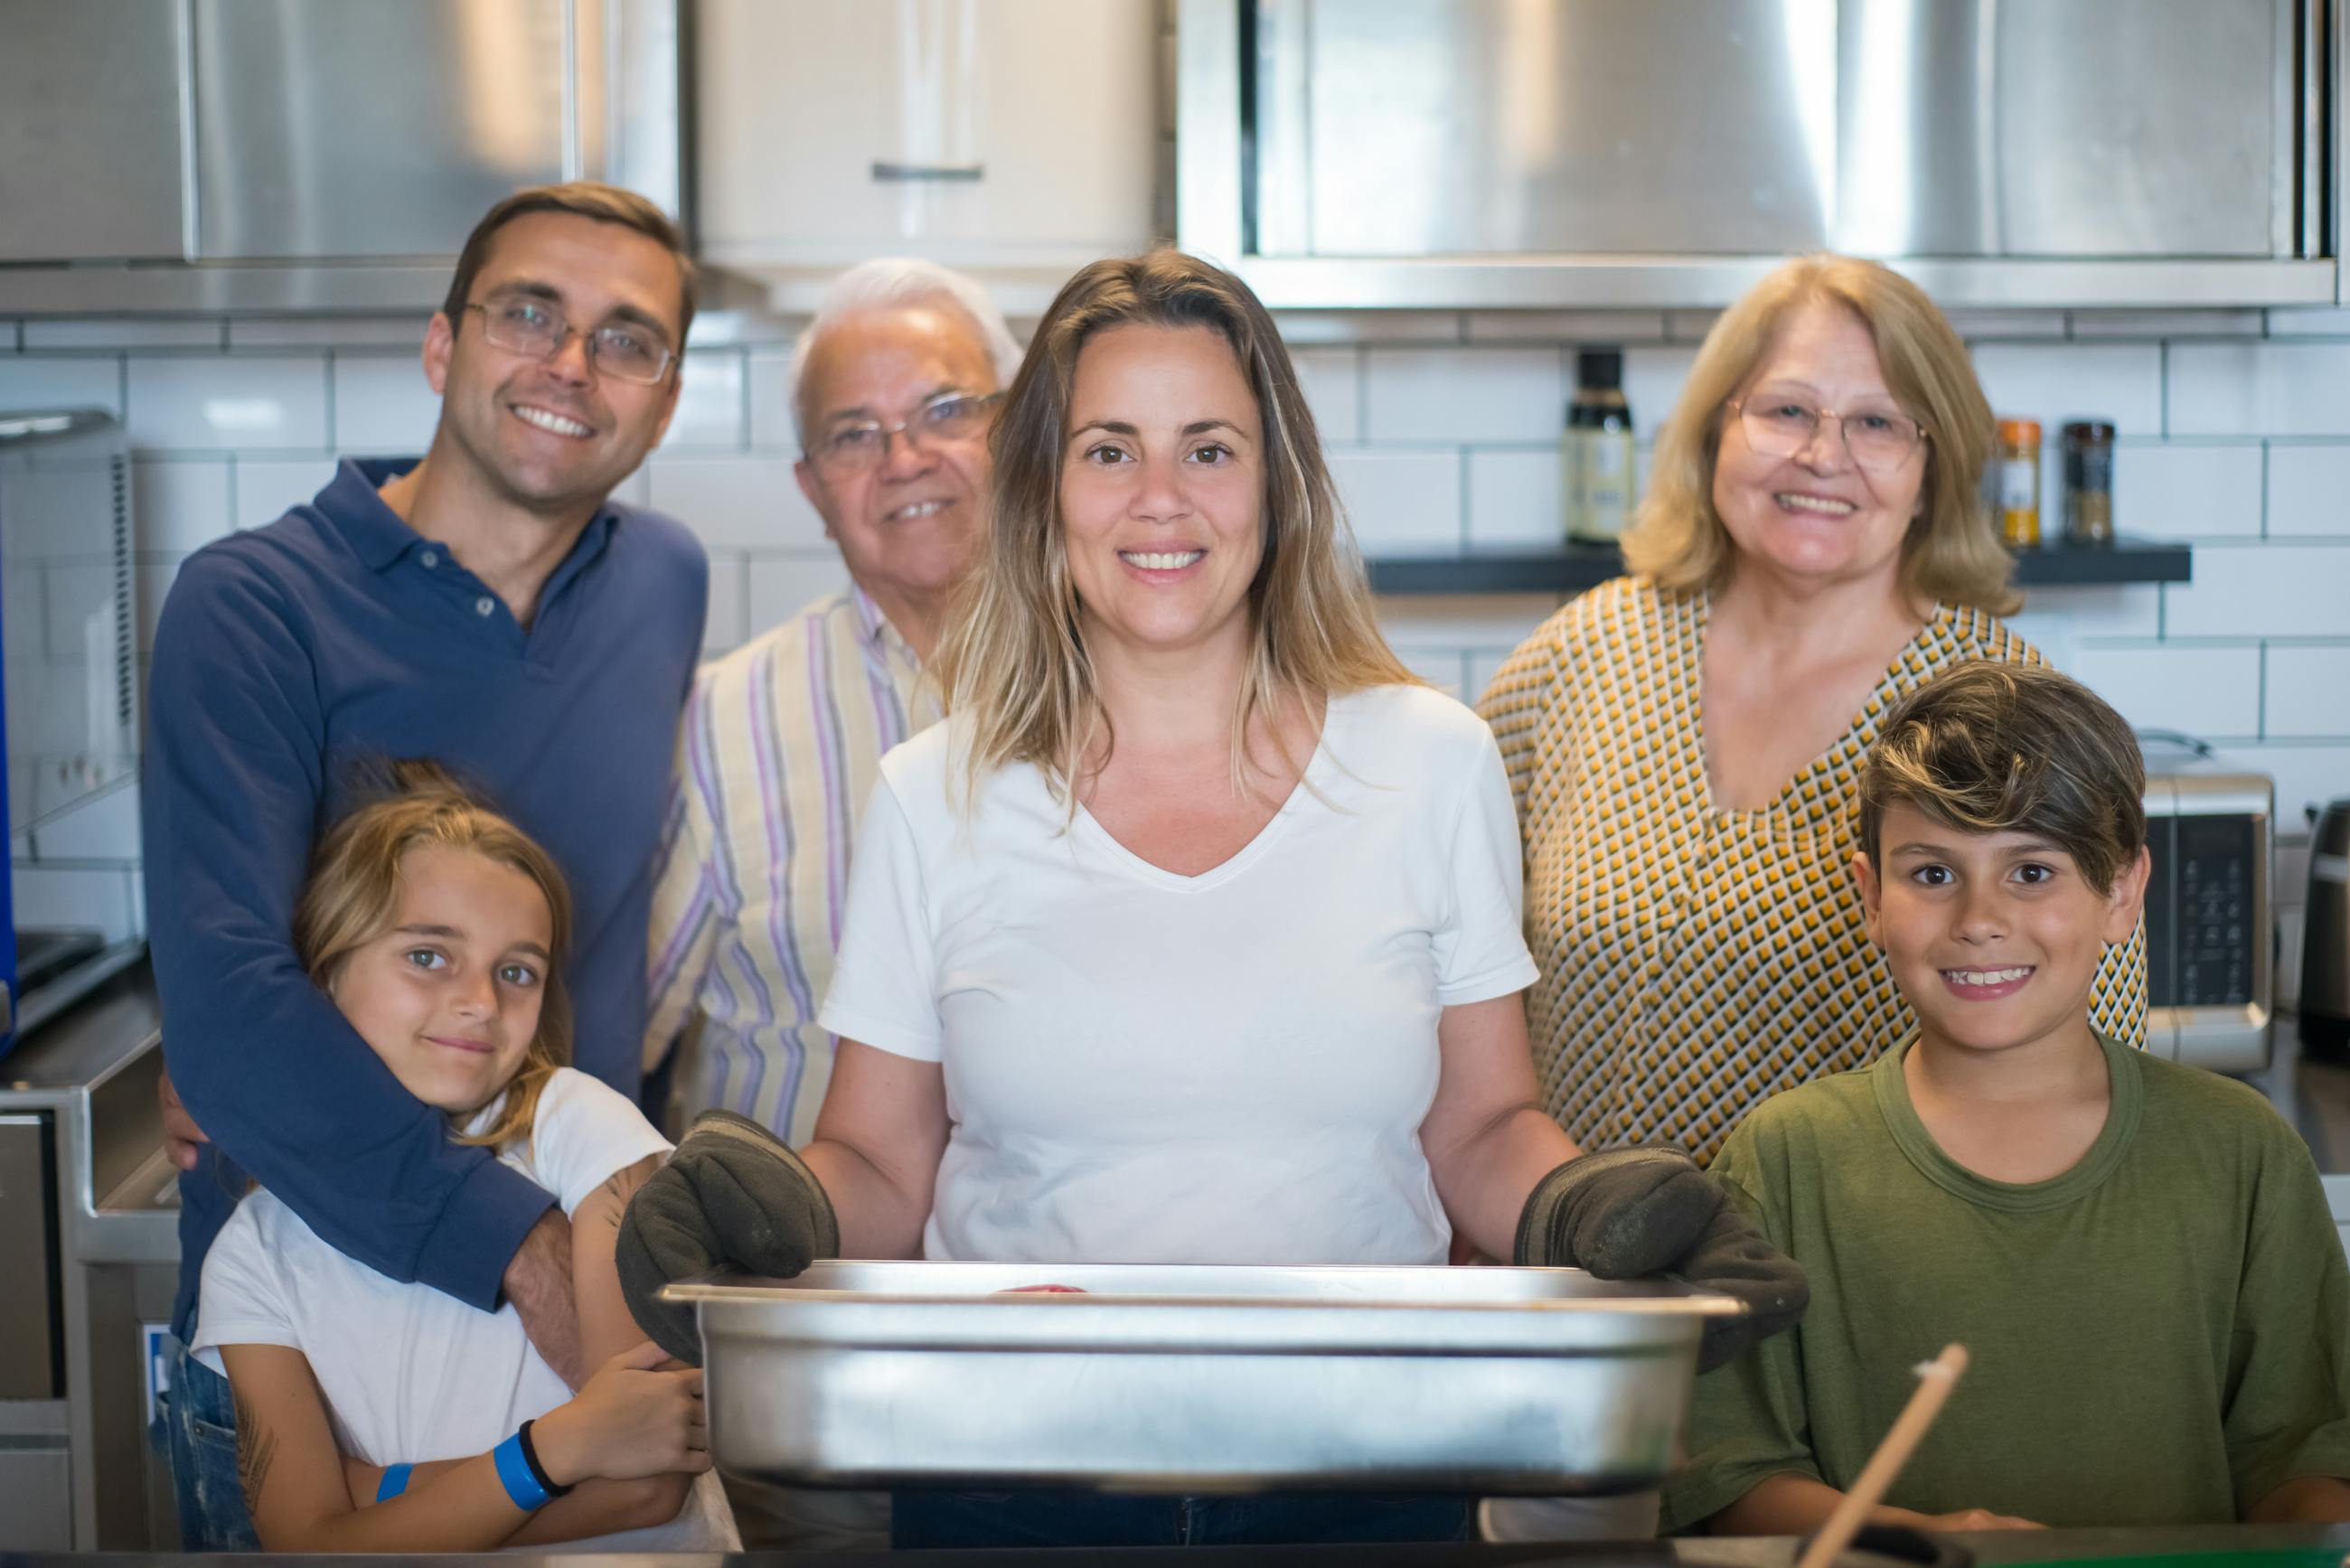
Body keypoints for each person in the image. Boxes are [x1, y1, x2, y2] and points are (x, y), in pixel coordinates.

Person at [615, 249, 1807, 1552]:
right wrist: (772, 1216)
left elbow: (1481, 1126)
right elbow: (884, 1162)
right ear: (1045, 493)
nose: (1162, 498)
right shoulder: (933, 795)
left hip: (1366, 1460)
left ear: (1276, 485)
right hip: (1006, 1470)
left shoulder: (1428, 762)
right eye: (1110, 450)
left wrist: (1592, 1212)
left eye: (1210, 449)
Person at [144, 182, 706, 1548]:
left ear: (668, 398)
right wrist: (521, 1252)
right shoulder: (255, 604)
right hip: (326, 1346)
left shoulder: (662, 582)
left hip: (580, 1345)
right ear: (444, 346)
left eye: (627, 339)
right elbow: (228, 1000)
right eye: (531, 314)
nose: (573, 366)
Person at [1478, 253, 2147, 1172]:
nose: (1821, 455)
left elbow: (2088, 1066)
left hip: (1864, 1286)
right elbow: (1455, 975)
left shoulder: (1997, 707)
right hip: (1574, 1260)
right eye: (1785, 409)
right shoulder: (1576, 658)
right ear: (1717, 427)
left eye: (1874, 422)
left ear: (1932, 465)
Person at [1659, 661, 2350, 1533]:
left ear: (2121, 893)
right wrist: (1923, 1544)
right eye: (1934, 874)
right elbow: (1727, 1477)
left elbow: (2310, 1462)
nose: (1979, 918)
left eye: (2031, 872)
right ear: (1872, 897)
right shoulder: (1785, 1158)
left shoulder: (2242, 1151)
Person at [192, 764, 738, 1550]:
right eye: (428, 955)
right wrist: (557, 1449)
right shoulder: (254, 1250)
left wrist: (382, 1499)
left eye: (516, 971)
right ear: (325, 970)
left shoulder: (581, 1127)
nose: (481, 1000)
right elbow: (307, 1542)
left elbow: (650, 1479)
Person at [644, 258, 1019, 1147]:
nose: (903, 459)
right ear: (813, 490)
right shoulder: (718, 722)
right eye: (853, 435)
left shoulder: (1136, 685)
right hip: (792, 1270)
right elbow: (617, 1040)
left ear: (1018, 433)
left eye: (944, 411)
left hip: (1060, 1271)